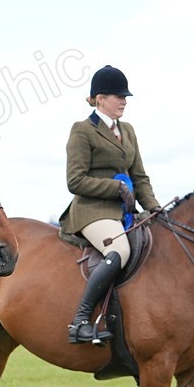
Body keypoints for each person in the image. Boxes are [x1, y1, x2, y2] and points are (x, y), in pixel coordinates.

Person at [59, 65, 162, 344]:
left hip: (125, 211)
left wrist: (153, 207)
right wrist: (115, 187)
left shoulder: (127, 131)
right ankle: (80, 321)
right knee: (119, 249)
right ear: (100, 98)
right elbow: (75, 181)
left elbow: (139, 176)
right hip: (91, 210)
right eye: (118, 96)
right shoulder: (82, 130)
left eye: (125, 97)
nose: (124, 101)